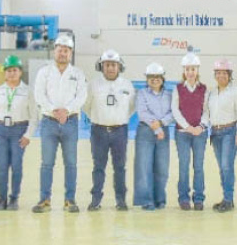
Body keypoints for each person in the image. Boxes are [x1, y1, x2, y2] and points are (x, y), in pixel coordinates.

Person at [32, 34, 87, 213]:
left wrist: (67, 111)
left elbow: (82, 96)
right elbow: (39, 95)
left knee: (71, 163)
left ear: (71, 53)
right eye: (60, 50)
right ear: (54, 51)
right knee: (47, 163)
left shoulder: (78, 74)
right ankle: (44, 199)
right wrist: (54, 110)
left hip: (70, 122)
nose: (62, 53)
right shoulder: (44, 72)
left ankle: (69, 200)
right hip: (49, 122)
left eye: (66, 50)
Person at [84, 49, 136, 211]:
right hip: (98, 131)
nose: (110, 68)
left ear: (119, 66)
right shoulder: (93, 85)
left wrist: (119, 118)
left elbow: (132, 107)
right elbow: (86, 106)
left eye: (114, 65)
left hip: (120, 131)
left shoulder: (127, 85)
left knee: (119, 167)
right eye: (107, 65)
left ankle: (121, 200)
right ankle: (95, 200)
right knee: (98, 167)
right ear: (102, 66)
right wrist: (98, 118)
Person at [0, 55, 38, 211]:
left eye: (15, 70)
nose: (11, 73)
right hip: (0, 131)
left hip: (18, 131)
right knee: (2, 166)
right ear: (4, 73)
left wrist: (28, 135)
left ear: (20, 72)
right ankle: (1, 198)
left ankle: (14, 198)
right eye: (8, 71)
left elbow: (34, 116)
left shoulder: (28, 92)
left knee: (16, 165)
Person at [206, 59, 237, 212]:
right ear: (215, 75)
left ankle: (228, 200)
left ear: (229, 75)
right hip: (215, 133)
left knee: (226, 166)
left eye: (224, 73)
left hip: (230, 132)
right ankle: (226, 198)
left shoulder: (236, 91)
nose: (221, 75)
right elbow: (207, 113)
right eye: (218, 73)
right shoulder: (211, 93)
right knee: (222, 168)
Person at [133, 62, 173, 210]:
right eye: (151, 77)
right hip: (146, 131)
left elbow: (173, 113)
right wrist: (157, 128)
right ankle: (146, 200)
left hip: (163, 132)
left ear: (162, 78)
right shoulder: (142, 93)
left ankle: (159, 199)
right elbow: (142, 113)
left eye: (157, 76)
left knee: (162, 168)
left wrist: (161, 123)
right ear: (147, 79)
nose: (154, 79)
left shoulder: (169, 95)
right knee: (144, 167)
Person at [172, 52, 208, 211]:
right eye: (187, 69)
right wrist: (187, 127)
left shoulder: (204, 89)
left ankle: (199, 198)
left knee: (198, 166)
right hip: (182, 134)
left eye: (193, 69)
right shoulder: (178, 89)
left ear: (197, 70)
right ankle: (184, 198)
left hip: (200, 134)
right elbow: (175, 110)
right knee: (184, 166)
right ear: (184, 71)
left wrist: (200, 127)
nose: (190, 72)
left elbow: (206, 110)